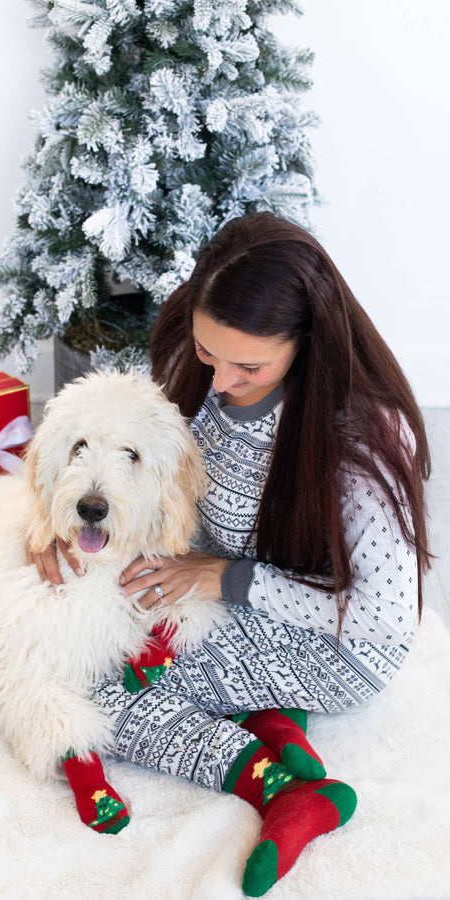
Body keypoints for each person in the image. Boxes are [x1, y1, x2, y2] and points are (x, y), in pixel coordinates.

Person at [28, 213, 431, 895]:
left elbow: (385, 617)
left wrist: (228, 578)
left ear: (309, 341)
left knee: (87, 699)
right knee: (71, 633)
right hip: (224, 586)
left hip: (334, 643)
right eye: (209, 353)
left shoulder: (362, 435)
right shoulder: (200, 358)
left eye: (249, 366)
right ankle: (272, 718)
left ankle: (286, 794)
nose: (217, 382)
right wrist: (52, 518)